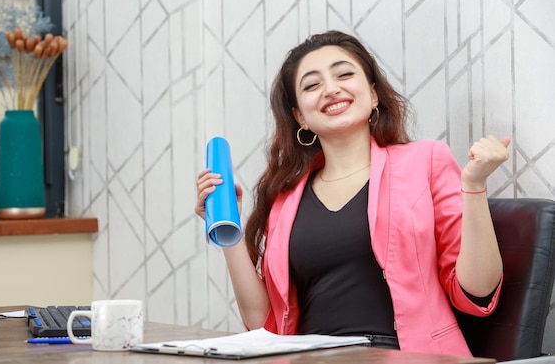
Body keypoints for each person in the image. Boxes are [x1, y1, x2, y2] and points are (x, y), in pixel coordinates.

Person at [195, 30, 509, 356]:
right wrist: (227, 234)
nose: (331, 89)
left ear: (373, 95)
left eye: (344, 74)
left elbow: (478, 292)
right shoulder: (286, 197)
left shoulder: (426, 160)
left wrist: (473, 187)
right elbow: (264, 322)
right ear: (300, 116)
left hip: (406, 355)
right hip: (309, 358)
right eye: (312, 85)